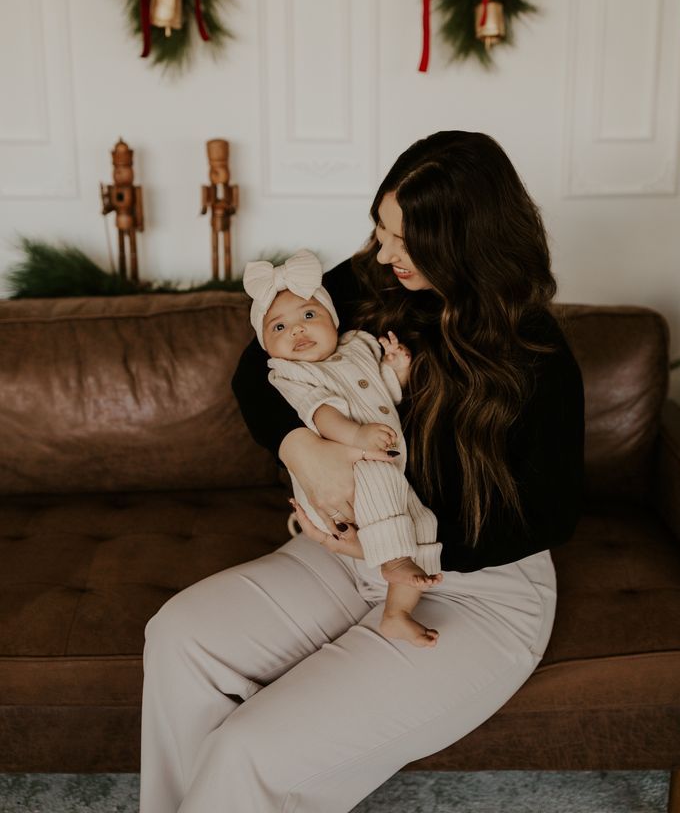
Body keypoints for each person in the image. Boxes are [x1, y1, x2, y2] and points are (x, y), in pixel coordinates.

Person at [139, 130, 585, 813]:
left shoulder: (537, 357)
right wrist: (301, 449)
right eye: (381, 229)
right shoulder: (375, 283)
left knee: (249, 751)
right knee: (180, 637)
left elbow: (547, 516)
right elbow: (259, 366)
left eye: (403, 240)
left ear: (464, 241)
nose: (383, 252)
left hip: (477, 586)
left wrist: (403, 546)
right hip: (351, 554)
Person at [242, 248, 444, 647]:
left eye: (309, 316)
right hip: (339, 468)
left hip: (379, 460)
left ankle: (397, 612)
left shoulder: (359, 346)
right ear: (266, 346)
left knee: (422, 522)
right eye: (278, 328)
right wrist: (355, 437)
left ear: (334, 321)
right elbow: (319, 415)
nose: (296, 331)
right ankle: (392, 560)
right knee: (383, 484)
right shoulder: (289, 373)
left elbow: (386, 397)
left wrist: (397, 371)